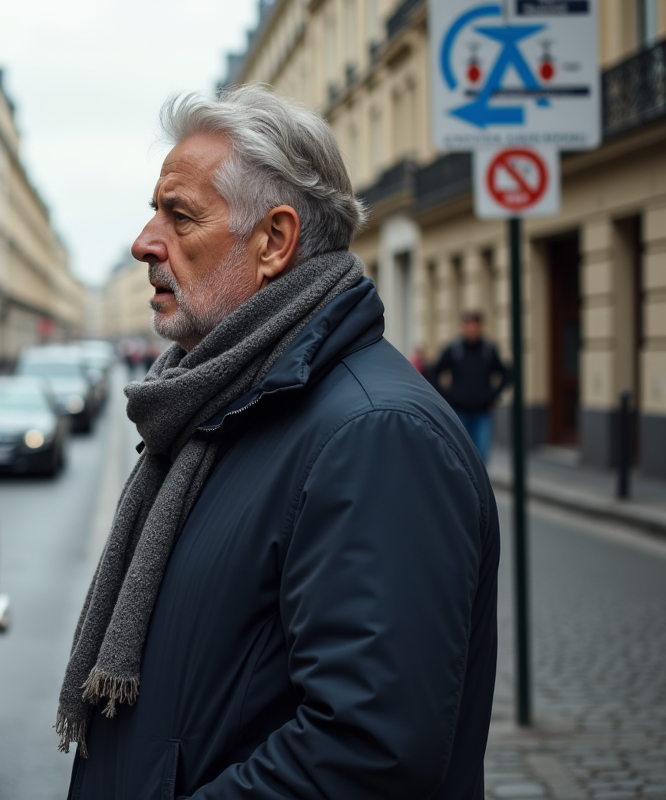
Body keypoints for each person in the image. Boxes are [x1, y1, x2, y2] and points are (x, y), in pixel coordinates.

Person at [56, 86, 499, 800]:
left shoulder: (376, 436)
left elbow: (367, 753)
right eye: (152, 212)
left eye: (179, 215)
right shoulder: (219, 406)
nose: (145, 242)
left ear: (274, 242)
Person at [427, 311, 510, 465]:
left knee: (482, 455)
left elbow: (505, 374)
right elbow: (433, 373)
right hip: (459, 412)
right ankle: (465, 487)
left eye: (475, 326)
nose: (472, 329)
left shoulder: (489, 350)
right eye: (469, 326)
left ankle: (478, 488)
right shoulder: (454, 350)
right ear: (463, 327)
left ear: (481, 327)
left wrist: (493, 396)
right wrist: (448, 396)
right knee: (460, 454)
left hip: (483, 412)